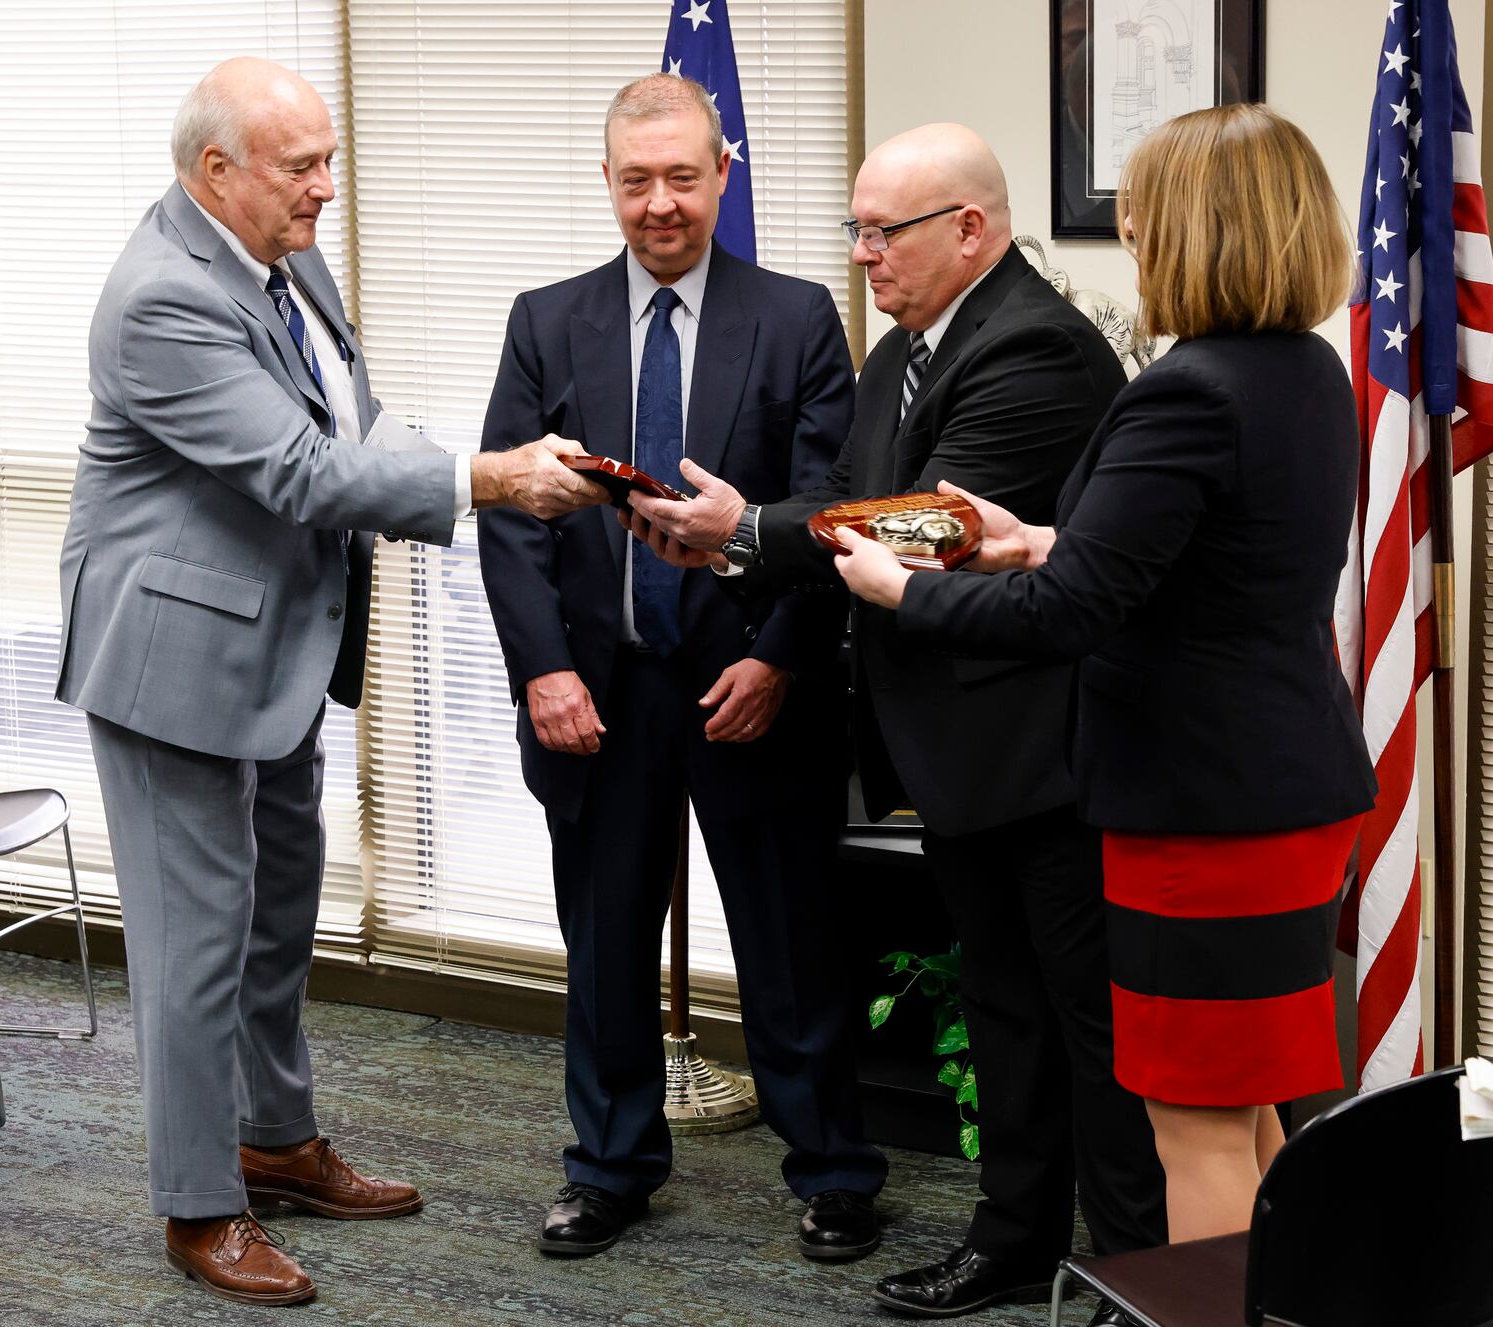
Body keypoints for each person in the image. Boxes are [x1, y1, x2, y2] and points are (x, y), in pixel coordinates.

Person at [56, 58, 604, 1306]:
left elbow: (349, 423)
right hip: (172, 664)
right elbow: (301, 474)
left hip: (278, 645)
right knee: (197, 946)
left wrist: (503, 463)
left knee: (276, 918)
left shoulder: (285, 257)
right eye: (299, 165)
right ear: (215, 174)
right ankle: (200, 1204)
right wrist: (490, 479)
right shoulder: (160, 301)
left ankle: (277, 1141)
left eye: (329, 157)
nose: (326, 188)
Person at [627, 123, 1165, 1324]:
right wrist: (756, 521)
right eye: (855, 229)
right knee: (1005, 1013)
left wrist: (748, 533)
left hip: (1046, 759)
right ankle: (1019, 1242)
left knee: (1091, 1035)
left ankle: (1138, 1278)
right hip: (963, 759)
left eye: (886, 231)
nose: (863, 254)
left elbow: (926, 527)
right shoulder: (906, 348)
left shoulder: (1032, 349)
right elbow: (851, 504)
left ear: (968, 229)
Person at [832, 103, 1377, 1249]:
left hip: (1200, 814)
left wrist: (906, 589)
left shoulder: (1187, 389)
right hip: (1286, 789)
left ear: (1190, 228)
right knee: (1248, 1109)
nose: (1126, 228)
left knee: (1196, 1128)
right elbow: (1201, 563)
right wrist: (1030, 534)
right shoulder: (1306, 372)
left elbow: (1072, 613)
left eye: (1139, 208)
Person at [476, 72, 887, 1261]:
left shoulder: (798, 315)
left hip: (748, 686)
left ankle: (834, 1170)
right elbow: (509, 513)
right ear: (606, 183)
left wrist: (779, 659)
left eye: (684, 177)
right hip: (597, 693)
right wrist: (542, 672)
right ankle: (607, 1167)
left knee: (789, 939)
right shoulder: (546, 321)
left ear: (723, 176)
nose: (662, 203)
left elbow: (833, 512)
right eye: (637, 179)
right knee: (604, 938)